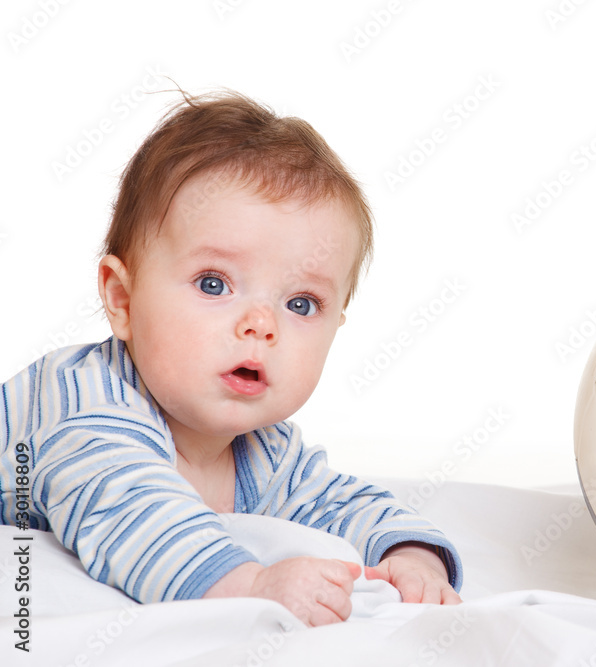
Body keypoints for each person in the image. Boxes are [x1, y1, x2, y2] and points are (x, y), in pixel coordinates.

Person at [0, 89, 462, 627]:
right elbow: (129, 512)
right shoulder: (91, 409)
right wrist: (249, 584)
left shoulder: (264, 451)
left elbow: (334, 502)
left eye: (300, 303)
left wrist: (410, 555)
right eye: (214, 284)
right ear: (123, 300)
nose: (260, 325)